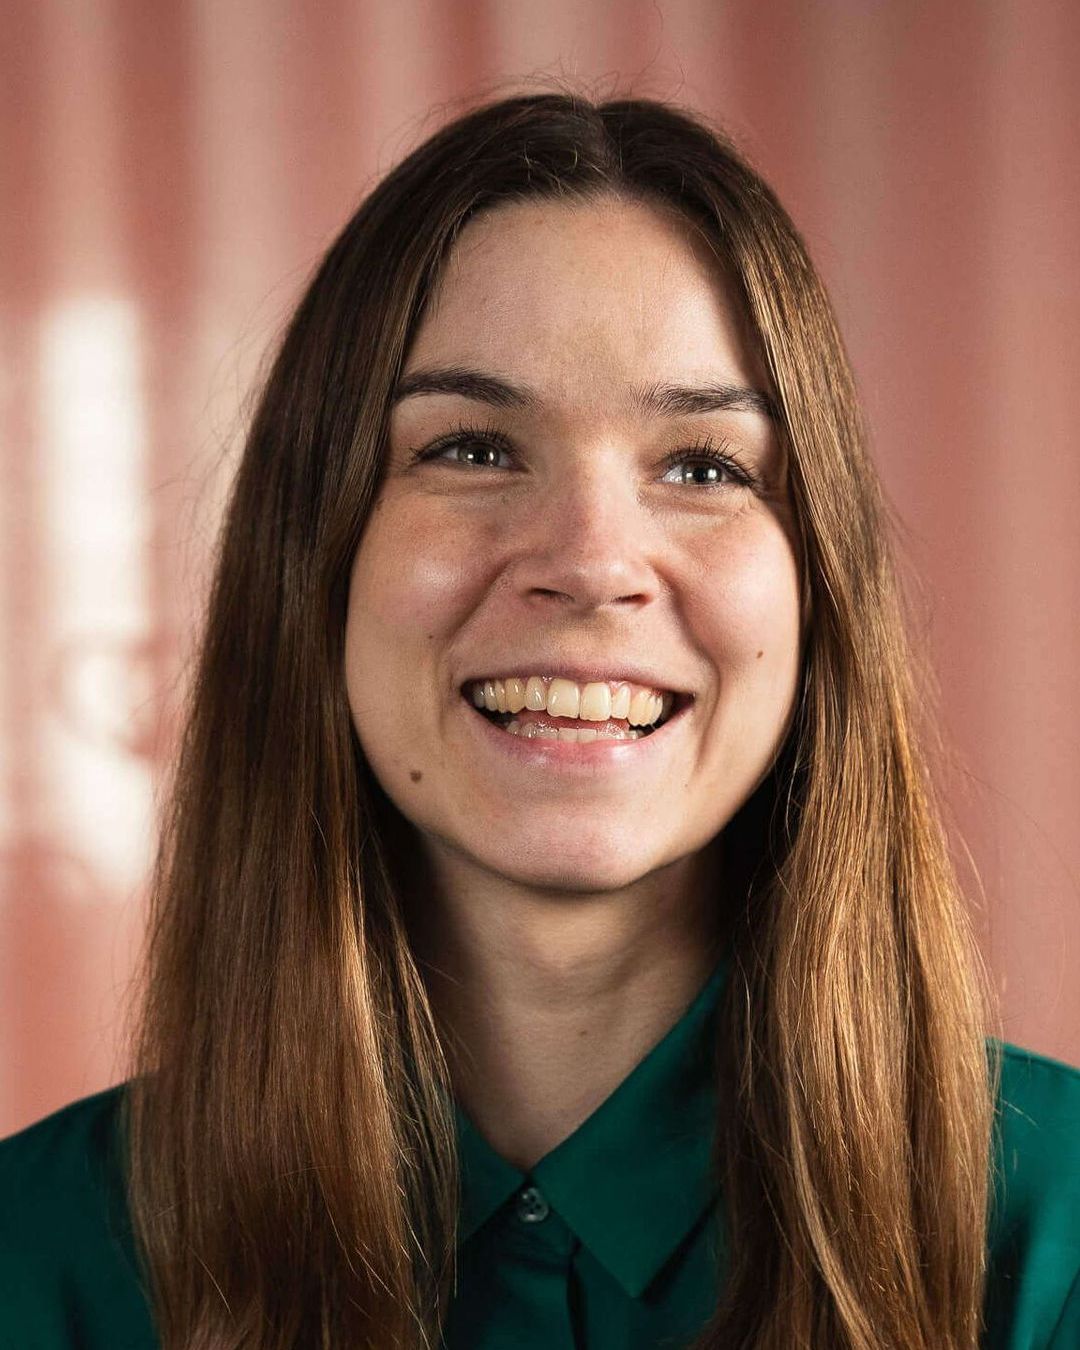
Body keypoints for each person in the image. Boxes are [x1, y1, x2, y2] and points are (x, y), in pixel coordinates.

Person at [1, 91, 1077, 1350]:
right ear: (316, 561)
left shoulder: (1056, 1239)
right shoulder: (35, 1258)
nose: (589, 560)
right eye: (469, 449)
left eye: (704, 466)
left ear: (818, 581)